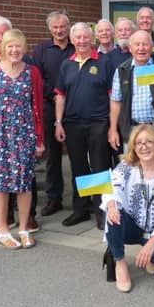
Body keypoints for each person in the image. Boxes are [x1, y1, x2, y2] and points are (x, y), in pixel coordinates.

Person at [0, 29, 45, 249]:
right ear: (2, 48)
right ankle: (4, 229)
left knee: (24, 183)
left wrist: (39, 139)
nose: (14, 50)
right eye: (10, 46)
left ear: (23, 48)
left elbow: (37, 107)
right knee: (0, 184)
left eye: (18, 46)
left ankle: (24, 228)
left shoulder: (32, 72)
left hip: (24, 132)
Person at [101, 125, 154, 292]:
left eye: (148, 142)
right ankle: (120, 262)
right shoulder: (127, 166)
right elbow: (112, 185)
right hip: (132, 226)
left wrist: (151, 244)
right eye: (138, 143)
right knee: (113, 212)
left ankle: (149, 257)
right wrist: (111, 205)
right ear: (133, 147)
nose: (143, 147)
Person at [55, 22, 113, 229]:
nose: (81, 41)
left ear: (92, 39)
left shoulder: (105, 62)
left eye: (85, 37)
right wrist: (58, 123)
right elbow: (60, 96)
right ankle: (80, 209)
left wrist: (112, 126)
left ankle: (102, 210)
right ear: (72, 40)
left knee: (99, 168)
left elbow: (113, 97)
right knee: (78, 167)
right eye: (77, 37)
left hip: (99, 122)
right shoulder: (66, 65)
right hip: (72, 124)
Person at [33, 10, 74, 217]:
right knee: (53, 156)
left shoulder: (77, 46)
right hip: (49, 106)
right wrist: (58, 93)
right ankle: (54, 198)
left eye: (63, 27)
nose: (59, 31)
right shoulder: (41, 50)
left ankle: (82, 199)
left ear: (69, 27)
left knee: (79, 155)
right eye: (55, 27)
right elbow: (38, 80)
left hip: (76, 106)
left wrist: (68, 95)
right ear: (49, 29)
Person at [108, 30, 154, 151]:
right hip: (132, 131)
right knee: (131, 167)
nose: (141, 48)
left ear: (152, 47)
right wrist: (113, 129)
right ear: (130, 48)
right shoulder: (122, 70)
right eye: (137, 45)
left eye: (145, 44)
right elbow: (116, 102)